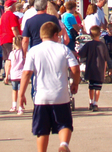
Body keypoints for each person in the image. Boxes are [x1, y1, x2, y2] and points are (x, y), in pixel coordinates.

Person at [19, 21, 80, 152]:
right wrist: (75, 83)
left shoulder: (34, 51)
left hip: (41, 97)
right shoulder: (63, 49)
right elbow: (75, 68)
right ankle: (64, 144)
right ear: (55, 35)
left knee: (42, 129)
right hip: (61, 95)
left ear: (41, 36)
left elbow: (26, 73)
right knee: (64, 123)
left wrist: (21, 93)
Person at [78, 26, 111, 111]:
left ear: (90, 34)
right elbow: (106, 59)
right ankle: (96, 103)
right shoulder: (103, 45)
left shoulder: (88, 44)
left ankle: (91, 101)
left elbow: (81, 54)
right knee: (98, 88)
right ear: (100, 34)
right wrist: (106, 69)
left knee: (91, 86)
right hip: (100, 69)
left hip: (90, 68)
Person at [6, 22, 25, 114]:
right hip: (22, 75)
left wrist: (6, 75)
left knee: (14, 90)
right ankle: (20, 106)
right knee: (21, 91)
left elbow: (8, 64)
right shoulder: (24, 53)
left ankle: (14, 105)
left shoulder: (12, 53)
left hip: (13, 75)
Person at [0, 0, 21, 73]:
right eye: (14, 5)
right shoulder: (12, 16)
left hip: (3, 39)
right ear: (12, 7)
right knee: (11, 58)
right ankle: (9, 75)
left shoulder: (3, 16)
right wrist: (18, 38)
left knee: (7, 58)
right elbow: (14, 28)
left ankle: (6, 74)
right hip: (10, 39)